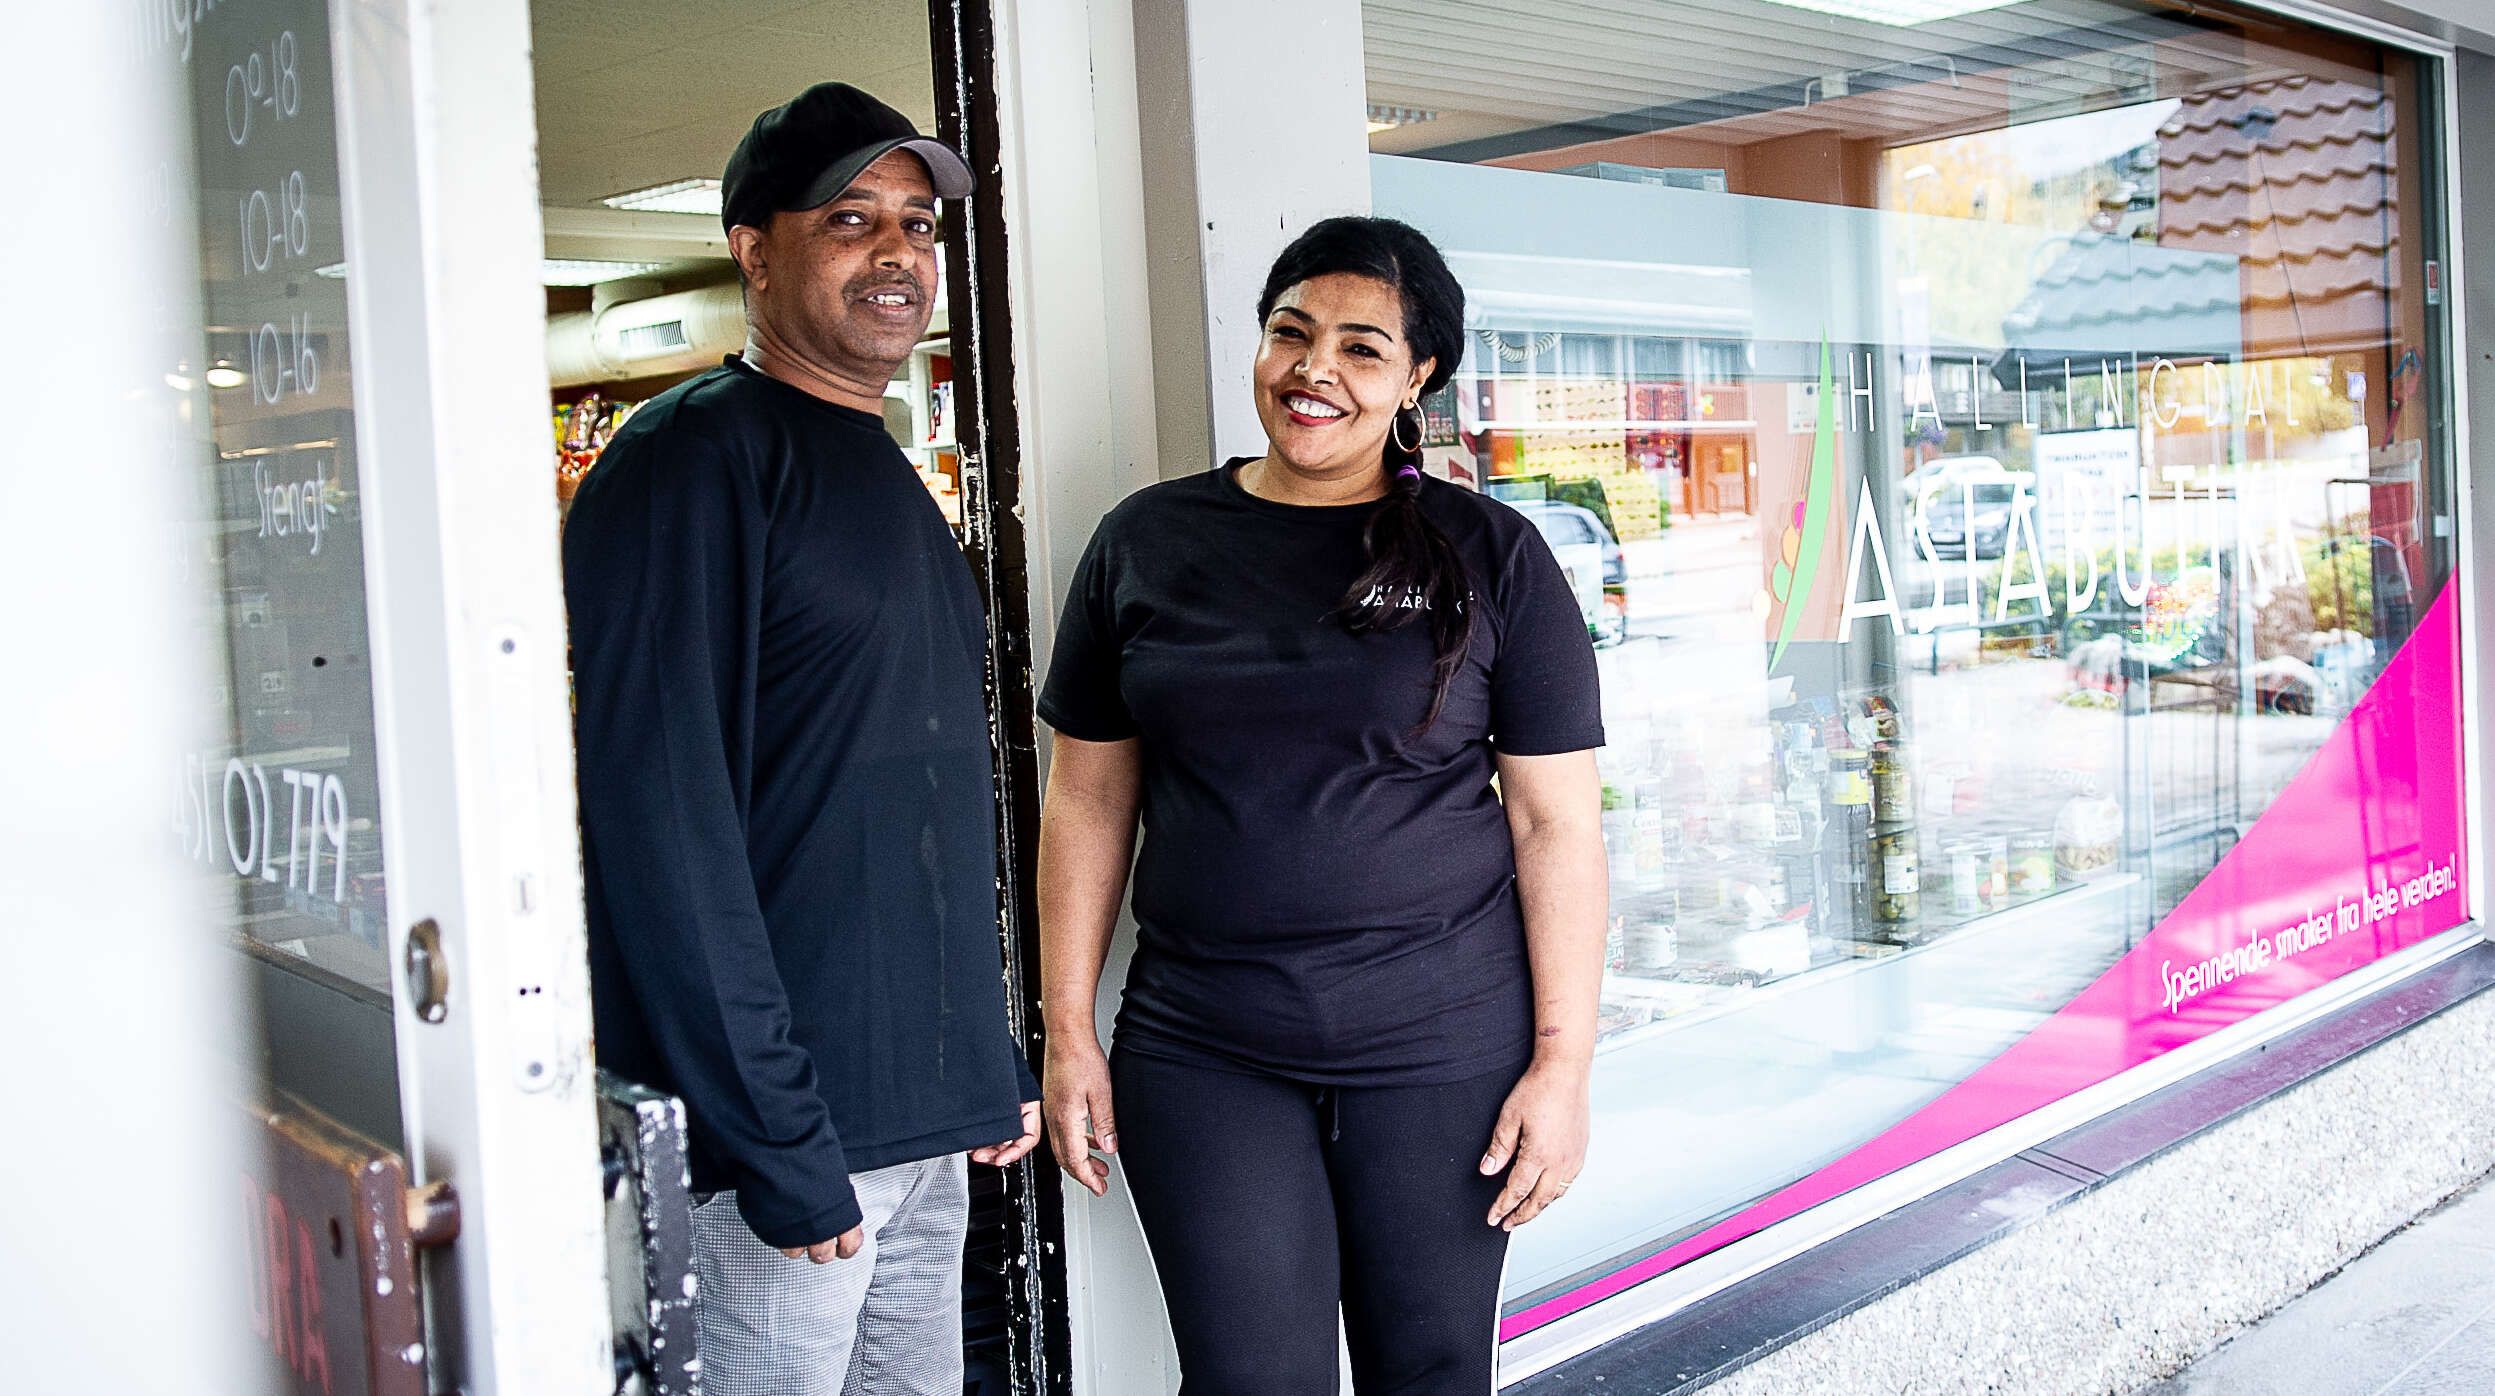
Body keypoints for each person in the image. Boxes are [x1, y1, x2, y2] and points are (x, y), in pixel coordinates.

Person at [1035, 216, 1609, 1394]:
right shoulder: (1146, 543)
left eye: (1360, 347)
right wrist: (1067, 1030)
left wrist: (1563, 1064)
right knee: (1248, 1379)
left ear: (1416, 376)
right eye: (1289, 334)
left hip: (1442, 1045)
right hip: (1205, 1045)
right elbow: (1086, 799)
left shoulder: (1489, 554)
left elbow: (1553, 824)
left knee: (1430, 1370)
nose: (1314, 370)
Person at [562, 82, 1041, 1396]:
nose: (897, 252)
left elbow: (911, 798)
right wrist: (772, 1131)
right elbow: (661, 827)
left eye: (916, 224)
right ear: (754, 251)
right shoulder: (688, 464)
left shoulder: (878, 463)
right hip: (784, 1139)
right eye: (849, 218)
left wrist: (979, 1055)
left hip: (916, 1119)